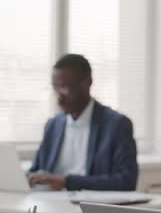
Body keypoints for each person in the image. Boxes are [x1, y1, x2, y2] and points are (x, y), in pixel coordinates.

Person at [28, 54, 138, 191]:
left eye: (65, 87)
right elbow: (36, 171)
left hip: (89, 207)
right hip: (50, 205)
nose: (59, 98)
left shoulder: (116, 125)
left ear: (88, 83)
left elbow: (127, 181)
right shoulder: (52, 125)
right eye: (56, 88)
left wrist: (66, 181)